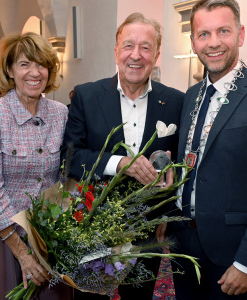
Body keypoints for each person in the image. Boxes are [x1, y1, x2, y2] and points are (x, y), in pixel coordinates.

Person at [168, 1, 247, 299]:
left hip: (230, 252)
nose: (213, 43)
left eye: (223, 31)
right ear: (193, 41)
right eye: (204, 34)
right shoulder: (191, 95)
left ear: (240, 35)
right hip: (183, 242)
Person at [61, 12, 184, 300]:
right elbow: (70, 158)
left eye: (145, 47)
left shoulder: (177, 102)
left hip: (147, 229)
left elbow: (178, 162)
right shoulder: (86, 96)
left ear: (156, 55)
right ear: (116, 52)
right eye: (128, 46)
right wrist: (119, 164)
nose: (136, 55)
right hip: (92, 225)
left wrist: (168, 202)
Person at [0, 32, 73, 300]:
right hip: (4, 234)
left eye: (41, 64)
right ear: (10, 70)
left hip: (49, 232)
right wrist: (23, 253)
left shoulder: (60, 113)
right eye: (25, 64)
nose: (34, 72)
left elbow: (65, 176)